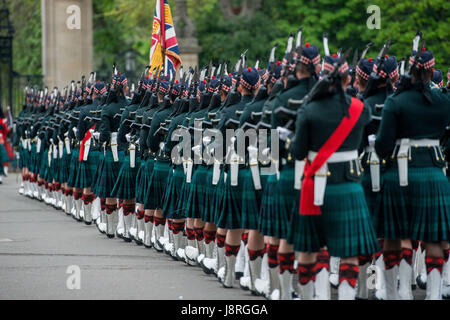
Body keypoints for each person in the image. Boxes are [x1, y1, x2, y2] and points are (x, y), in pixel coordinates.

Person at [290, 53, 379, 300]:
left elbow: (298, 153)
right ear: (348, 78)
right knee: (349, 251)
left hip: (316, 187)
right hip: (350, 187)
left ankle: (316, 296)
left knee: (312, 248)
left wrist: (312, 100)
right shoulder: (362, 109)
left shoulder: (309, 109)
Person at [375, 48, 450, 300]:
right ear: (431, 70)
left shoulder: (395, 102)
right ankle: (434, 295)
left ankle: (401, 293)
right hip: (434, 175)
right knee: (435, 240)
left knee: (397, 237)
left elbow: (383, 145)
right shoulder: (444, 101)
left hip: (400, 174)